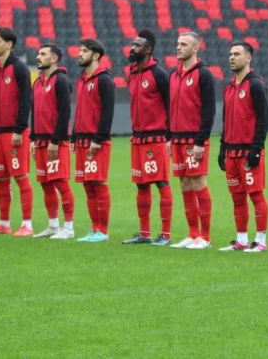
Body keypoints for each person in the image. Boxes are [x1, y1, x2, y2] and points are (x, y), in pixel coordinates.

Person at [122, 29, 173, 246]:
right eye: (132, 44)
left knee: (161, 183)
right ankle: (144, 233)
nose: (132, 48)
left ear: (148, 50)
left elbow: (171, 106)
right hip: (138, 138)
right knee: (141, 186)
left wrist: (169, 136)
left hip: (156, 137)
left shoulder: (159, 74)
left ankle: (165, 234)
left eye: (137, 45)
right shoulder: (132, 72)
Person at [218, 42, 268, 253]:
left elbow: (263, 119)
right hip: (231, 152)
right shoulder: (229, 88)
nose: (232, 57)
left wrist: (256, 149)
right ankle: (241, 240)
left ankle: (261, 241)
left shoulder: (256, 85)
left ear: (248, 58)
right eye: (230, 54)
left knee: (256, 196)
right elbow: (225, 120)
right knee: (237, 198)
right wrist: (222, 149)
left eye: (237, 54)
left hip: (248, 150)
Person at [169, 31, 216, 250]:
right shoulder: (174, 74)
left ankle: (205, 237)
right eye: (178, 44)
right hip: (177, 140)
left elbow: (209, 110)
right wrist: (169, 137)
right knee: (184, 184)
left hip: (194, 140)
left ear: (195, 48)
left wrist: (201, 140)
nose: (178, 47)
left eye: (184, 44)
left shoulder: (204, 74)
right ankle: (192, 234)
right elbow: (171, 108)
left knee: (198, 183)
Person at [0, 27, 33, 237]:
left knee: (20, 177)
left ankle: (27, 224)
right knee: (2, 179)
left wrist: (19, 128)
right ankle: (3, 223)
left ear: (9, 44)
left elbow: (25, 101)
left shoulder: (20, 68)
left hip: (15, 132)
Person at [31, 43, 75, 240]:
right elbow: (35, 112)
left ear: (54, 59)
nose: (38, 57)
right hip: (40, 141)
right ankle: (53, 226)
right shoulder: (38, 82)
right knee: (45, 184)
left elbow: (65, 112)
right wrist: (33, 138)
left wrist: (56, 140)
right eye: (38, 54)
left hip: (55, 142)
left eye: (43, 54)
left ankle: (69, 227)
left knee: (60, 183)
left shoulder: (61, 81)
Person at [73, 39, 115, 243]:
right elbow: (79, 110)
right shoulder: (81, 79)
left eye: (84, 51)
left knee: (98, 182)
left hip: (96, 141)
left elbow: (107, 112)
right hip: (81, 139)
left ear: (96, 55)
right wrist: (74, 136)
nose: (79, 54)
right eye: (80, 50)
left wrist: (99, 138)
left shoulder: (105, 79)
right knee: (87, 186)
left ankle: (103, 231)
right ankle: (94, 229)